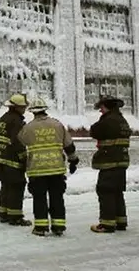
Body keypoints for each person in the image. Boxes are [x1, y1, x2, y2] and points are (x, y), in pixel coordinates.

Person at [17, 97, 79, 236]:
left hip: (37, 170)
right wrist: (73, 160)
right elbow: (69, 145)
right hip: (56, 169)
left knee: (39, 198)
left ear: (32, 112)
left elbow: (20, 142)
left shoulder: (27, 128)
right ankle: (58, 226)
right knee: (57, 197)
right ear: (45, 110)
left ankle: (40, 227)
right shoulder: (58, 125)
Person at [89, 95, 132, 233]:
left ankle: (107, 224)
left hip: (109, 161)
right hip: (121, 161)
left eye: (101, 108)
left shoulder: (109, 120)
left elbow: (94, 131)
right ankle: (121, 221)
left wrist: (102, 120)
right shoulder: (122, 120)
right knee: (117, 191)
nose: (100, 111)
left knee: (105, 190)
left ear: (108, 107)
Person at [0, 93, 32, 226]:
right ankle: (15, 216)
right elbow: (18, 141)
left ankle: (3, 214)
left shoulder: (3, 118)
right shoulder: (17, 121)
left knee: (5, 186)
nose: (24, 109)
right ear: (16, 107)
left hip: (1, 159)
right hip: (13, 159)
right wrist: (24, 158)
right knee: (17, 186)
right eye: (22, 107)